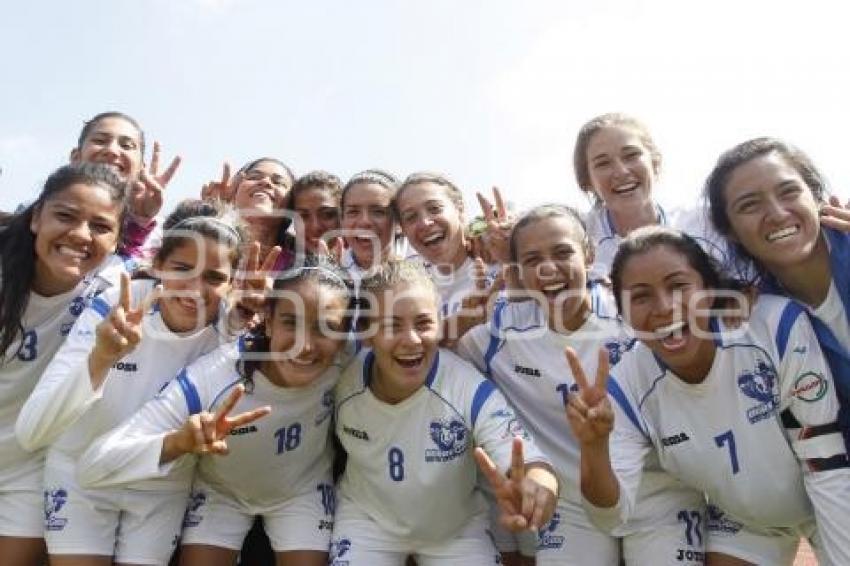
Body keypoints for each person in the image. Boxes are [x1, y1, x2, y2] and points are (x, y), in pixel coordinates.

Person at [569, 226, 850, 565]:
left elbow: (826, 461)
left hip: (831, 491)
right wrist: (594, 449)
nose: (664, 307)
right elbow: (609, 515)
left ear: (708, 288)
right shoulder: (623, 387)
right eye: (640, 296)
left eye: (678, 286)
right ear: (622, 310)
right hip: (748, 522)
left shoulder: (773, 324)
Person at [459, 205, 704, 566]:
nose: (547, 268)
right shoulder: (496, 335)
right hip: (571, 503)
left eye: (562, 252)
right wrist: (455, 325)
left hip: (661, 495)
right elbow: (441, 365)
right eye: (531, 259)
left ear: (588, 255)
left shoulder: (633, 316)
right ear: (518, 271)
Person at [77, 257, 355, 566]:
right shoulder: (213, 377)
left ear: (345, 337)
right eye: (291, 322)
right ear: (268, 319)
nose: (305, 346)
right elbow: (92, 465)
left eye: (327, 329)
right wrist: (178, 443)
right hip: (220, 494)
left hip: (302, 491)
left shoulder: (346, 362)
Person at [16, 204, 247, 566]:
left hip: (160, 484)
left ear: (233, 283)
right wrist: (102, 356)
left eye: (215, 277)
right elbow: (32, 432)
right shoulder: (119, 303)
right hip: (79, 475)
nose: (196, 289)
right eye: (182, 268)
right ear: (158, 265)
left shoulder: (231, 331)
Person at [330, 260, 558, 565]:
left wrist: (538, 486)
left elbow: (526, 459)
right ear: (366, 333)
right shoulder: (341, 376)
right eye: (391, 325)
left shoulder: (468, 388)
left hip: (456, 531)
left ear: (440, 324)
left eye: (423, 323)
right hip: (367, 521)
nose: (411, 340)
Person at [0, 163, 126, 566]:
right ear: (37, 217)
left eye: (101, 226)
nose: (80, 235)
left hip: (28, 470)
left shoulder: (115, 287)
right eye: (66, 216)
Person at [573, 112, 731, 282]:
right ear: (587, 180)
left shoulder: (706, 222)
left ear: (654, 162)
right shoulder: (576, 242)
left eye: (631, 155)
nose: (621, 171)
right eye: (603, 163)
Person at [70, 111, 181, 262]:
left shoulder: (164, 237)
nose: (112, 151)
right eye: (100, 141)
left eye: (126, 145)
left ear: (141, 167)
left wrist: (139, 221)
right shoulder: (43, 214)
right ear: (76, 157)